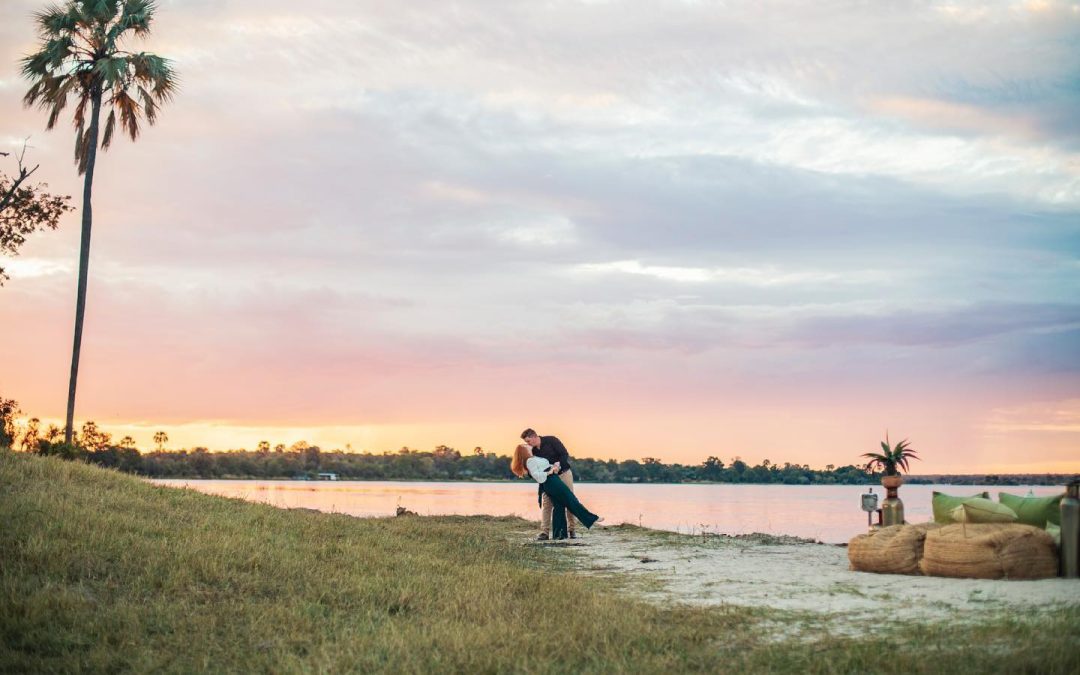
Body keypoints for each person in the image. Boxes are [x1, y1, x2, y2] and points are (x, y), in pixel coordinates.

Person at [511, 443, 602, 539]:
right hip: (551, 482)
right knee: (570, 499)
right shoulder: (530, 461)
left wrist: (554, 466)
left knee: (559, 506)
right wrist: (549, 472)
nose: (528, 445)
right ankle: (591, 519)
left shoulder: (534, 458)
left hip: (553, 479)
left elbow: (544, 467)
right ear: (523, 451)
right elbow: (537, 475)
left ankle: (559, 534)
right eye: (526, 446)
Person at [521, 428, 577, 540]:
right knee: (547, 503)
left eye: (528, 441)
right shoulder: (534, 451)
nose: (528, 444)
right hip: (549, 478)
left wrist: (558, 465)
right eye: (526, 442)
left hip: (563, 473)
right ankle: (544, 532)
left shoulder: (552, 440)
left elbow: (564, 454)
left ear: (534, 436)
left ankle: (572, 530)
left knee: (570, 500)